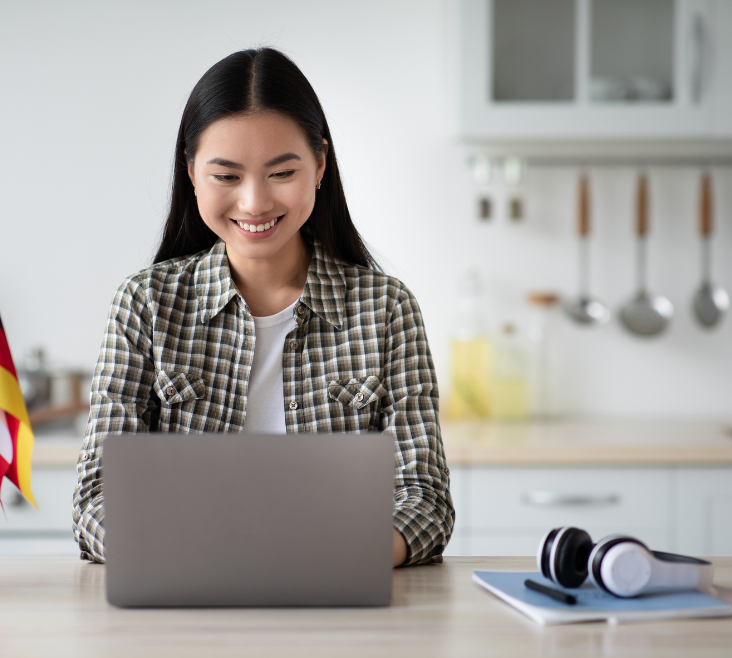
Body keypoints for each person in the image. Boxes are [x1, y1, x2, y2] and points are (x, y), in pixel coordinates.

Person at [72, 48, 454, 567]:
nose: (254, 203)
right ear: (190, 172)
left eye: (281, 173)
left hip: (336, 598)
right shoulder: (145, 303)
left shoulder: (385, 308)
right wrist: (171, 556)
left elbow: (424, 499)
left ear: (320, 164)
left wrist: (339, 557)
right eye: (226, 176)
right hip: (182, 598)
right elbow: (97, 497)